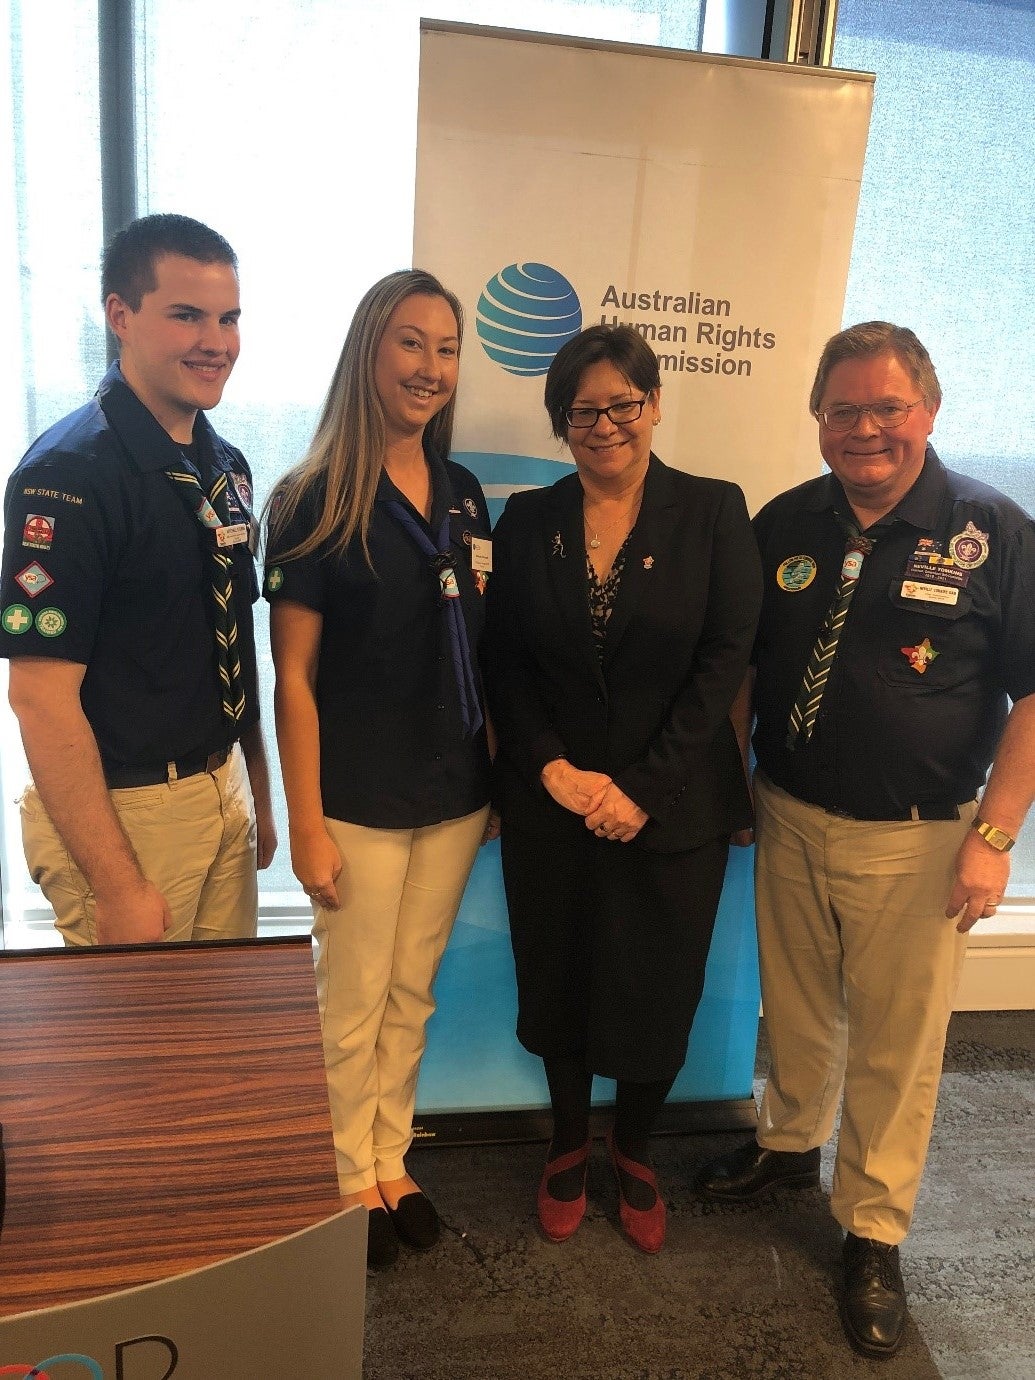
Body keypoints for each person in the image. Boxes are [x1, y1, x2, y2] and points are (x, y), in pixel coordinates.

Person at [695, 322, 1035, 1358]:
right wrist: (738, 779)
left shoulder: (993, 531)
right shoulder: (786, 522)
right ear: (818, 420)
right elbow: (746, 664)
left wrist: (996, 835)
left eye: (887, 408)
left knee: (898, 1045)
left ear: (928, 410)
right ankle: (792, 1144)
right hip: (791, 814)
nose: (864, 430)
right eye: (842, 410)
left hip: (923, 840)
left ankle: (874, 1229)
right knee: (796, 1007)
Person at [485, 324, 762, 1254]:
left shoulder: (715, 511)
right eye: (582, 411)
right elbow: (505, 664)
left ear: (653, 403)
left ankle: (634, 1149)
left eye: (622, 404)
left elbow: (723, 663)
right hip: (552, 802)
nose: (603, 426)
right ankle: (568, 1142)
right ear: (561, 420)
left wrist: (640, 787)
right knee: (559, 970)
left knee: (656, 983)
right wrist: (552, 768)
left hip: (672, 804)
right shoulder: (527, 520)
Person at [264, 269, 493, 1272]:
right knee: (349, 1001)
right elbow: (293, 679)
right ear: (369, 350)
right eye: (412, 343)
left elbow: (477, 646)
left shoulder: (466, 494)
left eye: (447, 350)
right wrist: (304, 822)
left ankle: (391, 1156)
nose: (431, 368)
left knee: (413, 993)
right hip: (354, 800)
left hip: (451, 798)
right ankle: (341, 1171)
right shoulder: (311, 499)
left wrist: (488, 783)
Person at [0, 213, 277, 948]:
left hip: (219, 791)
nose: (215, 342)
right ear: (119, 317)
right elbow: (38, 699)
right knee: (140, 1056)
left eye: (228, 317)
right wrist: (118, 886)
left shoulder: (225, 467)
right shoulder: (69, 475)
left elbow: (230, 635)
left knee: (214, 1042)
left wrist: (259, 786)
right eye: (186, 316)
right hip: (127, 813)